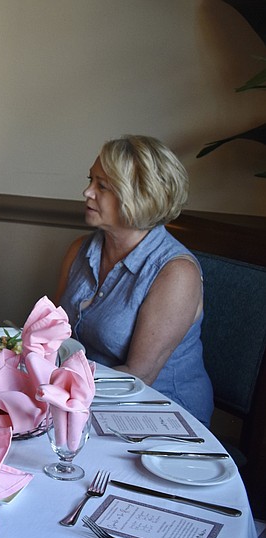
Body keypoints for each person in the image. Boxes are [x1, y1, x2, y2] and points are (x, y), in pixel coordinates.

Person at [54, 135, 213, 425]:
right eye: (91, 180)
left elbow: (139, 378)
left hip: (160, 416)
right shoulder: (80, 250)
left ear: (139, 195)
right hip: (83, 401)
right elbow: (52, 335)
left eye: (102, 186)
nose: (87, 192)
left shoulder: (175, 273)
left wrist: (54, 386)